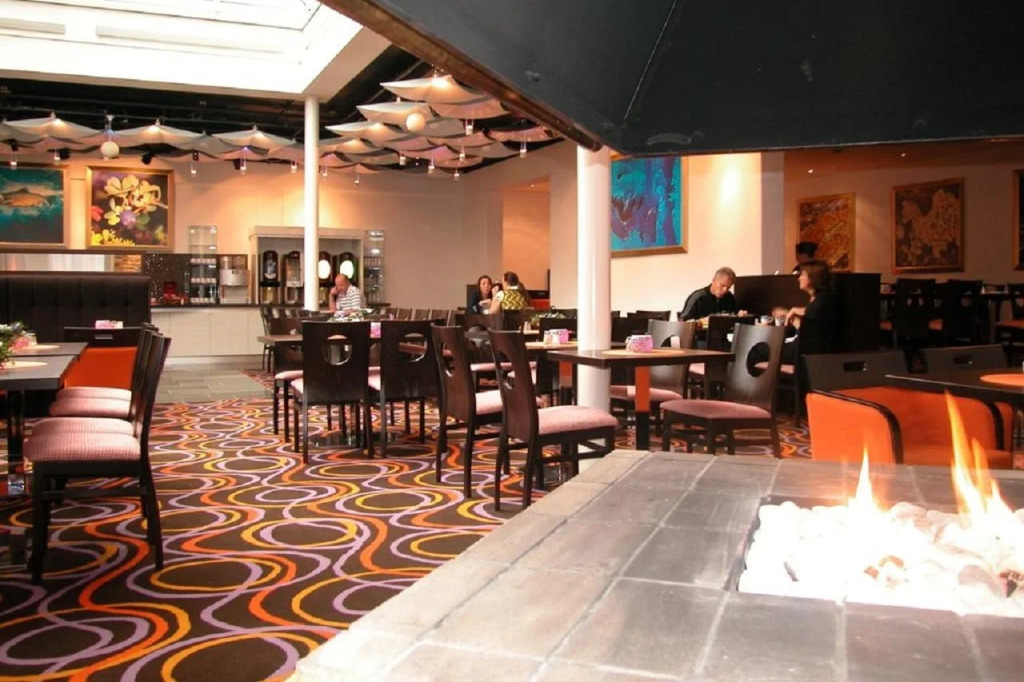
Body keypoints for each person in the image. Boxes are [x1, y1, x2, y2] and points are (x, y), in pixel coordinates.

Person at [784, 259, 835, 358]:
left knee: (759, 351)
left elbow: (811, 332)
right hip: (801, 347)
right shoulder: (816, 299)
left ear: (813, 278)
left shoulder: (824, 298)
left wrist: (794, 312)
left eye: (803, 275)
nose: (799, 278)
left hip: (809, 352)